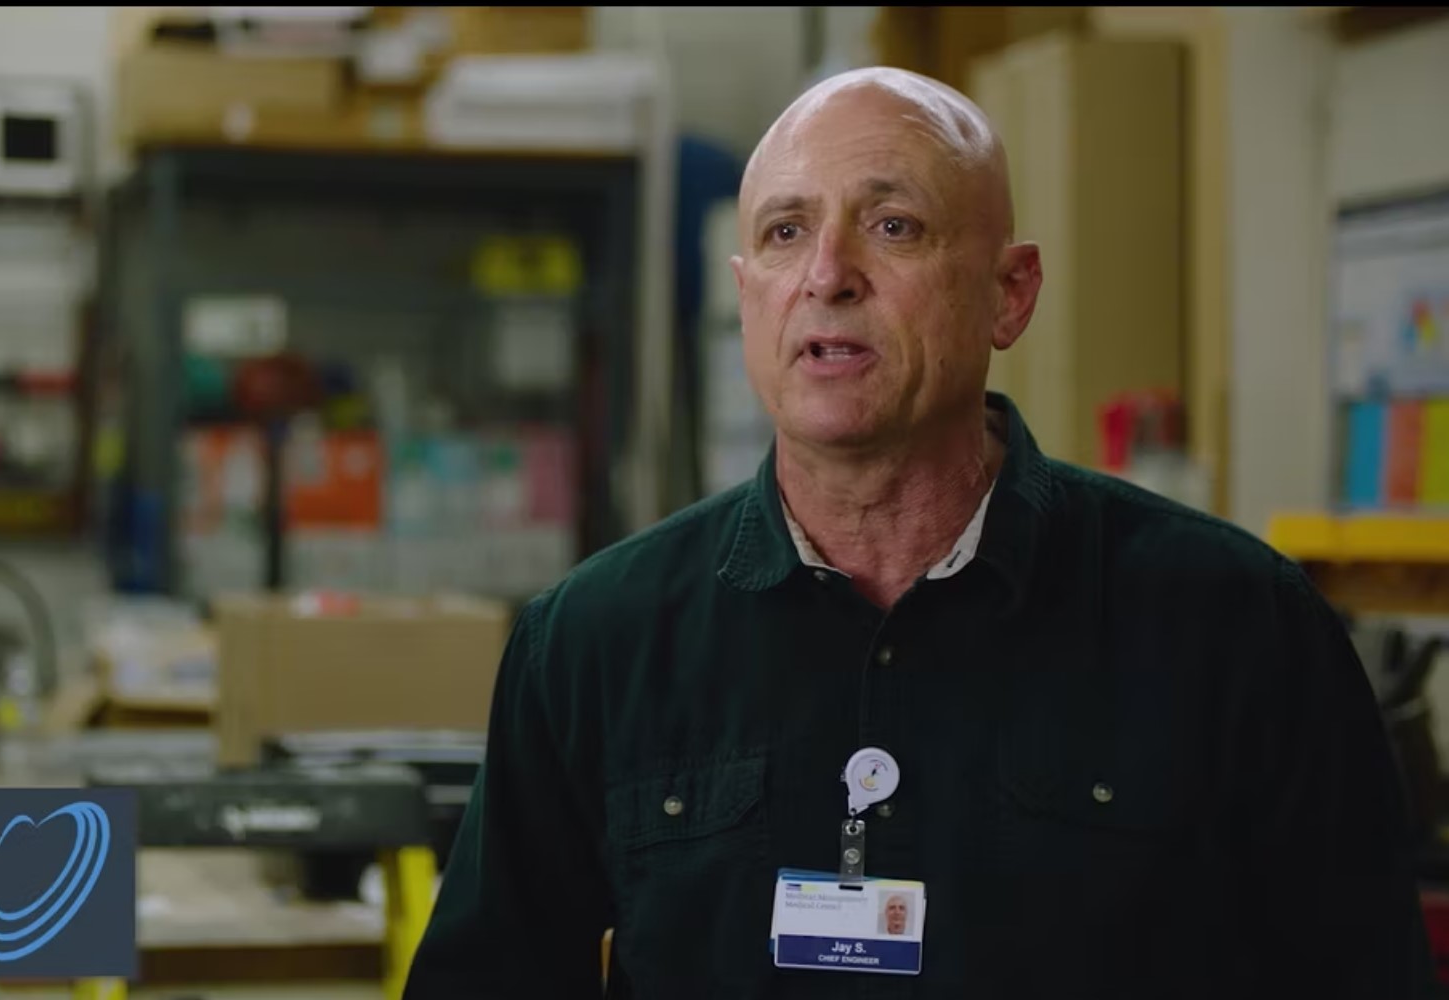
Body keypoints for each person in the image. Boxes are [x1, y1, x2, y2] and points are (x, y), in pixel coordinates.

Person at [403, 66, 1437, 998]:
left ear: (1008, 293)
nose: (827, 273)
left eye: (891, 226)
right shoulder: (594, 640)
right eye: (783, 232)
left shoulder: (1235, 623)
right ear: (745, 295)